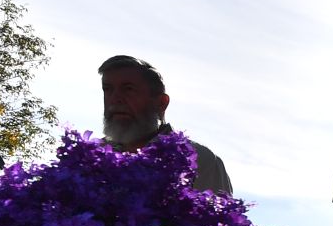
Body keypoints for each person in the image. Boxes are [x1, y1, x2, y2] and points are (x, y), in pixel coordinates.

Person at [97, 54, 232, 194]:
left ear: (161, 103)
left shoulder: (200, 160)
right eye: (108, 89)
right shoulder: (91, 159)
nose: (115, 98)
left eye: (128, 89)